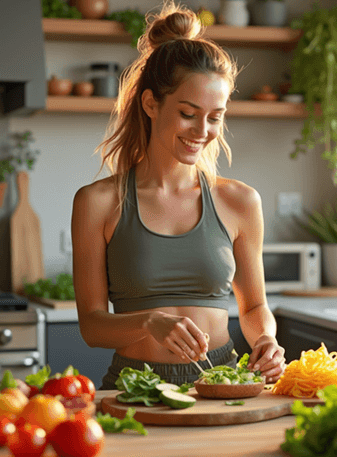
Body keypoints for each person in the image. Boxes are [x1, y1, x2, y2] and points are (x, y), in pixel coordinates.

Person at [71, 1, 285, 390]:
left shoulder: (240, 203)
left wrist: (266, 339)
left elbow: (253, 307)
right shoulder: (98, 203)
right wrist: (148, 322)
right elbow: (92, 326)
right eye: (188, 113)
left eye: (215, 116)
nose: (202, 131)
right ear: (151, 103)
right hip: (134, 387)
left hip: (222, 383)